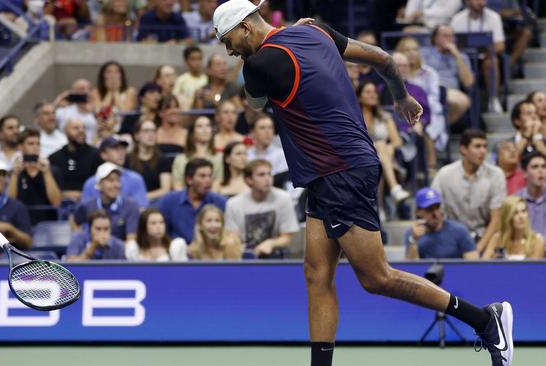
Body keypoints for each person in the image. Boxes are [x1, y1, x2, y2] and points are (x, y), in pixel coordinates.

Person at [213, 2, 513, 365]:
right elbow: (384, 59)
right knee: (316, 273)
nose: (229, 51)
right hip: (338, 168)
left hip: (339, 171)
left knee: (377, 278)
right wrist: (401, 96)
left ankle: (485, 319)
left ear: (245, 28)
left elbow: (256, 103)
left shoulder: (258, 65)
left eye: (228, 41)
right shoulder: (315, 31)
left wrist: (251, 62)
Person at [432, 129, 507, 254]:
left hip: (485, 239)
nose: (483, 151)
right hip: (452, 238)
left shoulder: (496, 175)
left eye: (485, 146)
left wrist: (478, 248)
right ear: (463, 149)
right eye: (477, 146)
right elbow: (436, 210)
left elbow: (496, 219)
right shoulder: (444, 175)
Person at [224, 159, 298, 258]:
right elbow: (233, 238)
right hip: (243, 255)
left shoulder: (284, 199)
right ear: (249, 180)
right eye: (261, 175)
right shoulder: (233, 204)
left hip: (274, 255)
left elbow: (286, 238)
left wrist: (270, 243)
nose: (267, 178)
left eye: (269, 174)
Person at [396, 37, 446, 170]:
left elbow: (432, 100)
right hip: (400, 117)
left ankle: (430, 167)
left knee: (427, 130)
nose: (412, 53)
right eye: (407, 50)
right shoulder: (392, 78)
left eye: (415, 49)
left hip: (427, 111)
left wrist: (421, 118)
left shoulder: (429, 73)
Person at [356, 80, 410, 204]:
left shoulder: (385, 117)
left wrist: (390, 147)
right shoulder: (355, 117)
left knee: (380, 151)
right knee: (380, 148)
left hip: (383, 159)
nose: (372, 95)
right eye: (368, 92)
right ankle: (394, 189)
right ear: (359, 97)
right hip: (361, 157)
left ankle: (377, 207)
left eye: (375, 92)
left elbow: (397, 141)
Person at [451, 0, 506, 113]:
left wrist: (486, 49)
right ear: (467, 2)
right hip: (464, 58)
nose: (481, 3)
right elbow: (453, 43)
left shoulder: (494, 17)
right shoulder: (457, 19)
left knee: (491, 61)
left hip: (485, 57)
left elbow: (500, 45)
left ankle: (493, 99)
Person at [157, 158, 226, 243]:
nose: (208, 180)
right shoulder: (169, 201)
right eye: (202, 176)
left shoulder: (220, 202)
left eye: (210, 176)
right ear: (189, 180)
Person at [73, 162, 140, 243]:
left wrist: (111, 247)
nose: (116, 185)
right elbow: (74, 221)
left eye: (118, 180)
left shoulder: (131, 206)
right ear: (99, 185)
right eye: (111, 180)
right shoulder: (87, 205)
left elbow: (131, 241)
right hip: (92, 252)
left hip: (120, 253)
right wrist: (80, 240)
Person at [404, 187, 479, 260]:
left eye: (437, 207)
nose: (435, 213)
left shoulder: (459, 231)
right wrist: (413, 240)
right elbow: (410, 268)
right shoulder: (412, 234)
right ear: (418, 212)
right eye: (429, 209)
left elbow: (473, 264)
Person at [421, 24, 474, 124]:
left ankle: (439, 127)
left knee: (463, 101)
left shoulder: (461, 57)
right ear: (435, 38)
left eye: (451, 36)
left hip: (450, 91)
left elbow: (469, 83)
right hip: (429, 89)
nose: (449, 39)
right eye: (445, 36)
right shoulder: (424, 54)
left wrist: (457, 55)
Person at [8, 128, 62, 225]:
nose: (35, 147)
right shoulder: (14, 172)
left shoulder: (53, 171)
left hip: (48, 223)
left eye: (38, 144)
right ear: (20, 147)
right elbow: (10, 203)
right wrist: (15, 175)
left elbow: (56, 203)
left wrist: (46, 173)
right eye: (31, 144)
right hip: (21, 224)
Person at [0, 159, 33, 255]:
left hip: (8, 259)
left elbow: (28, 242)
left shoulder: (17, 207)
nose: (1, 179)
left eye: (4, 175)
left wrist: (10, 229)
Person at [80, 136, 149, 207]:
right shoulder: (91, 183)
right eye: (115, 148)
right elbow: (85, 212)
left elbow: (142, 208)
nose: (121, 152)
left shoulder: (135, 179)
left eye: (123, 148)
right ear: (104, 154)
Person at [49, 119, 103, 202]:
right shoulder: (54, 158)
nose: (81, 131)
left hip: (89, 202)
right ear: (65, 132)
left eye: (83, 128)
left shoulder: (96, 155)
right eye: (75, 128)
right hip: (59, 204)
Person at [126, 120, 173, 202]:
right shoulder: (127, 159)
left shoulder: (163, 161)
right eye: (146, 131)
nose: (151, 135)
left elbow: (165, 190)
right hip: (132, 202)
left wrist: (142, 197)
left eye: (153, 131)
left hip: (155, 203)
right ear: (137, 136)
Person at [171, 116, 223, 190]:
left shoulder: (219, 158)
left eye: (208, 126)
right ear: (193, 132)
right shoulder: (181, 159)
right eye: (200, 126)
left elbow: (218, 183)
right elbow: (177, 185)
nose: (205, 129)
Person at [246, 114, 289, 187]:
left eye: (270, 127)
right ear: (252, 132)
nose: (267, 132)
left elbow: (283, 180)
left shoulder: (282, 154)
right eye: (262, 128)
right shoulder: (246, 155)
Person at [54, 78, 98, 143]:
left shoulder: (95, 111)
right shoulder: (64, 110)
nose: (86, 92)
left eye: (88, 89)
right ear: (73, 92)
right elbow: (46, 119)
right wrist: (58, 100)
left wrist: (94, 110)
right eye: (82, 89)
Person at [516, 151, 546, 238]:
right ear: (524, 173)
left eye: (544, 167)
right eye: (535, 167)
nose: (540, 171)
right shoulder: (515, 201)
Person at [156, 94, 188, 160]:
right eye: (168, 107)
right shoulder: (154, 134)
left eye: (176, 107)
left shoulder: (187, 134)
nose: (174, 111)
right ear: (160, 113)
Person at [399, 0, 463, 30]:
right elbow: (409, 14)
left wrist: (423, 13)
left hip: (440, 28)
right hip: (416, 25)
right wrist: (407, 15)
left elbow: (448, 12)